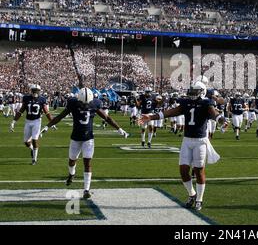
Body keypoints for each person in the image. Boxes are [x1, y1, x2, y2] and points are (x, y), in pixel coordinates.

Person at [138, 81, 227, 211]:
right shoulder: (186, 102)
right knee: (183, 170)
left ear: (202, 92)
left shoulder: (206, 103)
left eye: (195, 91)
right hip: (187, 140)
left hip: (200, 140)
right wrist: (152, 117)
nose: (191, 93)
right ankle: (192, 194)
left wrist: (221, 120)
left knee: (198, 170)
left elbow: (214, 114)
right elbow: (172, 112)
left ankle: (199, 199)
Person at [40, 88, 129, 199]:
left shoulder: (94, 104)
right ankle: (72, 174)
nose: (85, 105)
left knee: (87, 163)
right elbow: (60, 116)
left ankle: (86, 190)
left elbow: (107, 118)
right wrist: (47, 127)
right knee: (72, 161)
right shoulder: (73, 103)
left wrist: (119, 129)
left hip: (88, 139)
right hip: (75, 138)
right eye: (83, 103)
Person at [10, 85, 54, 165]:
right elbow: (21, 111)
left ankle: (34, 159)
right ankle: (32, 149)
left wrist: (52, 122)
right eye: (34, 90)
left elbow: (46, 112)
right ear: (31, 90)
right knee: (26, 142)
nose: (35, 92)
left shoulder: (42, 99)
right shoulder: (26, 98)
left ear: (39, 91)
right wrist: (13, 121)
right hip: (28, 121)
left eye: (37, 90)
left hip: (37, 121)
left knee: (34, 140)